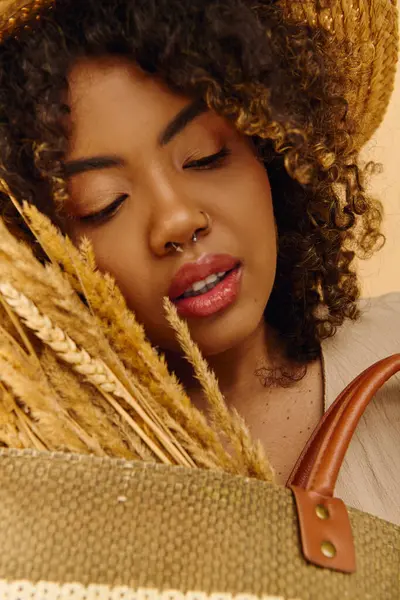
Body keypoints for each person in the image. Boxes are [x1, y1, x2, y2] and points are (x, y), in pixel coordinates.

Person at [0, 0, 398, 524]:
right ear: (40, 249)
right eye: (103, 202)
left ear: (272, 154)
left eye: (205, 156)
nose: (177, 220)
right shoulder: (44, 481)